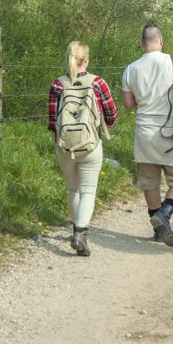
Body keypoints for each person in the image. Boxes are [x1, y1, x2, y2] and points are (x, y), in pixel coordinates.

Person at [122, 23, 173, 247]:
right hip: (172, 132)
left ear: (141, 43)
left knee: (149, 182)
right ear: (161, 41)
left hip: (144, 132)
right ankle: (165, 214)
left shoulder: (131, 68)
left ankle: (157, 229)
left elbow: (128, 104)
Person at [48, 41, 117, 257]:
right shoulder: (98, 83)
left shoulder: (57, 85)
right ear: (86, 60)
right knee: (88, 190)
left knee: (73, 190)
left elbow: (52, 121)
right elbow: (111, 115)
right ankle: (80, 232)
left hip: (64, 146)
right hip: (90, 145)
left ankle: (76, 229)